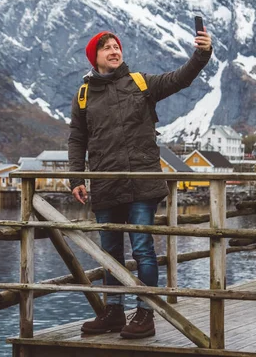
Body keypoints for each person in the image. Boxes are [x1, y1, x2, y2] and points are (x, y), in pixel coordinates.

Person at [68, 27, 212, 339]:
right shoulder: (83, 96)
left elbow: (180, 78)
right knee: (110, 253)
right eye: (106, 47)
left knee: (143, 249)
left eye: (116, 45)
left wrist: (201, 55)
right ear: (95, 57)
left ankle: (146, 314)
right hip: (106, 183)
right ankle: (115, 313)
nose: (114, 50)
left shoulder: (141, 83)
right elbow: (77, 139)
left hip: (141, 182)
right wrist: (76, 177)